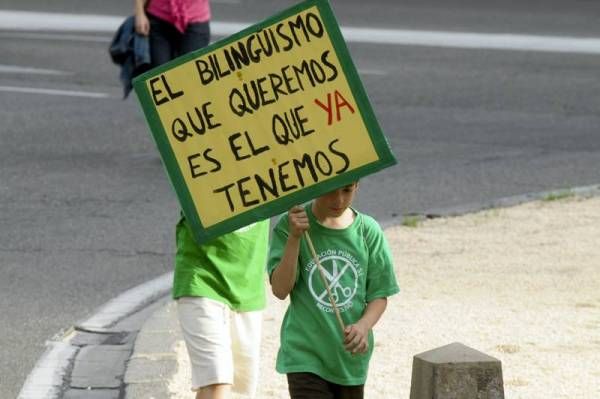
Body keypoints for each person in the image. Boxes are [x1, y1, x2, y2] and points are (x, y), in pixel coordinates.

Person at [133, 2, 268, 398]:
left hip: (247, 288)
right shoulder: (200, 150)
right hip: (201, 277)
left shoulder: (274, 157)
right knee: (217, 387)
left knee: (233, 388)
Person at [268, 182, 400, 399]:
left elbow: (379, 295)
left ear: (357, 185)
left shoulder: (368, 230)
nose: (338, 200)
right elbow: (280, 289)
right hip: (304, 354)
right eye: (329, 190)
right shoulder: (289, 225)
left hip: (349, 359)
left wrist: (363, 326)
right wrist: (294, 238)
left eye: (347, 190)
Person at [134, 0, 211, 68]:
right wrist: (139, 13)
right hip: (159, 17)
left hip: (196, 17)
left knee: (190, 73)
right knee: (159, 75)